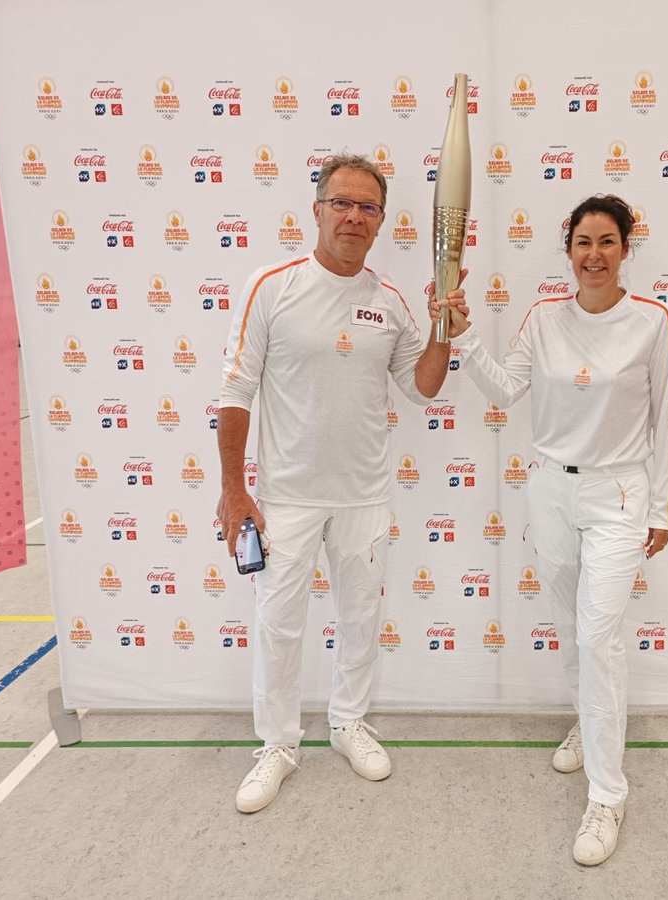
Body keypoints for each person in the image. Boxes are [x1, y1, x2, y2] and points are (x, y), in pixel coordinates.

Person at [435, 194, 668, 865]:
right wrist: (461, 332)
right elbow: (504, 389)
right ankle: (587, 721)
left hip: (618, 494)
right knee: (575, 628)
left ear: (626, 249)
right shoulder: (544, 319)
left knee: (599, 637)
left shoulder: (652, 321)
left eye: (607, 242)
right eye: (582, 243)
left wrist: (661, 508)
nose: (594, 256)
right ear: (567, 250)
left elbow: (666, 419)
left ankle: (608, 794)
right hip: (550, 489)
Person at [217, 153, 455, 814]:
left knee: (359, 621)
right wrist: (235, 490)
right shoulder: (272, 286)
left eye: (368, 207)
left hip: (364, 498)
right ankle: (279, 744)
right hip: (286, 500)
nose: (354, 216)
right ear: (317, 211)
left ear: (381, 222)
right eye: (342, 204)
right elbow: (235, 393)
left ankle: (349, 723)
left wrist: (443, 330)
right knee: (279, 626)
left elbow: (423, 386)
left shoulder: (390, 302)